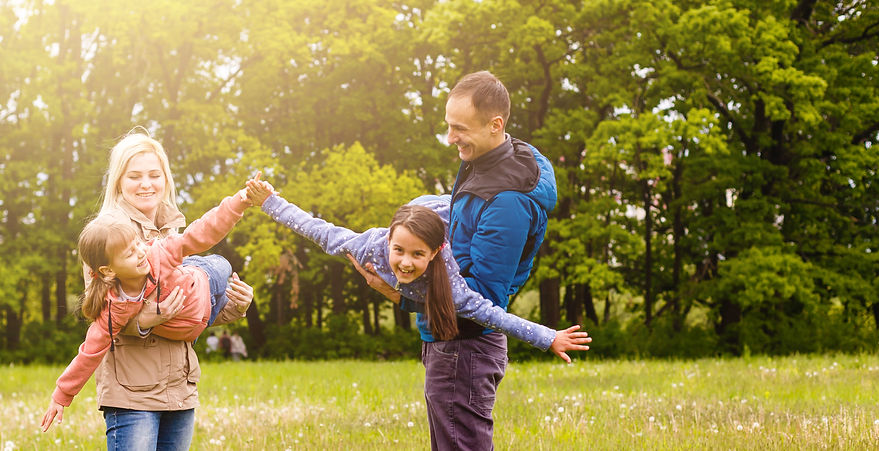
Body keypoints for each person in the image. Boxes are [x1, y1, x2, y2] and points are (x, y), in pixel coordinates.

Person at [355, 71, 558, 449]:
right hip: (450, 339)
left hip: (464, 345)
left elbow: (481, 297)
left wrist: (398, 294)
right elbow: (461, 227)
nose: (451, 138)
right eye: (449, 126)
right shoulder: (488, 161)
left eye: (459, 128)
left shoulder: (507, 202)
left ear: (496, 125)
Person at [37, 131, 254, 451]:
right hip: (132, 394)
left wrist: (236, 306)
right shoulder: (104, 240)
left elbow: (191, 310)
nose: (146, 183)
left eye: (155, 175)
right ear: (118, 182)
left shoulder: (171, 236)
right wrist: (146, 319)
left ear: (166, 178)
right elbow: (102, 323)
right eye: (135, 176)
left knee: (212, 265)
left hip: (179, 390)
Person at [246, 178, 589, 361]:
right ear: (389, 240)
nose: (405, 263)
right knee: (419, 211)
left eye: (417, 255)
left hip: (447, 213)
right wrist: (269, 201)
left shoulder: (451, 282)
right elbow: (317, 229)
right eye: (399, 251)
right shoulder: (368, 247)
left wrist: (549, 337)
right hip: (419, 209)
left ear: (435, 254)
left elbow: (494, 315)